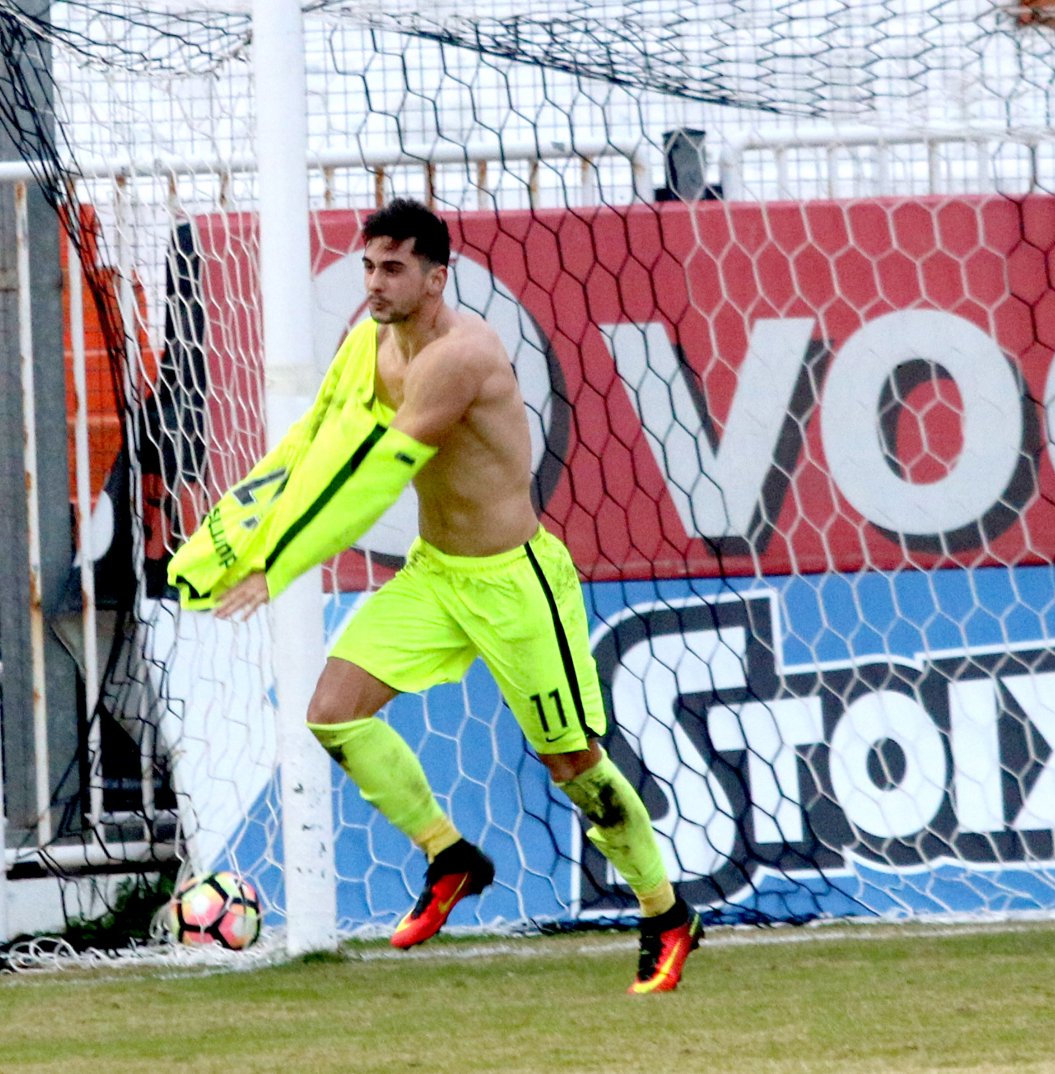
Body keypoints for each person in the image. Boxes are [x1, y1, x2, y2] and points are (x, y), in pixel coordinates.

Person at [193, 197, 702, 993]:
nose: (374, 282)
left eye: (393, 268)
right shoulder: (369, 343)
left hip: (514, 584)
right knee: (332, 711)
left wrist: (279, 565)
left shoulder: (458, 358)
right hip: (436, 575)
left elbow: (373, 479)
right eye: (369, 265)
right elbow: (318, 440)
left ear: (436, 278)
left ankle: (666, 913)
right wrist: (241, 536)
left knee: (571, 763)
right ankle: (450, 855)